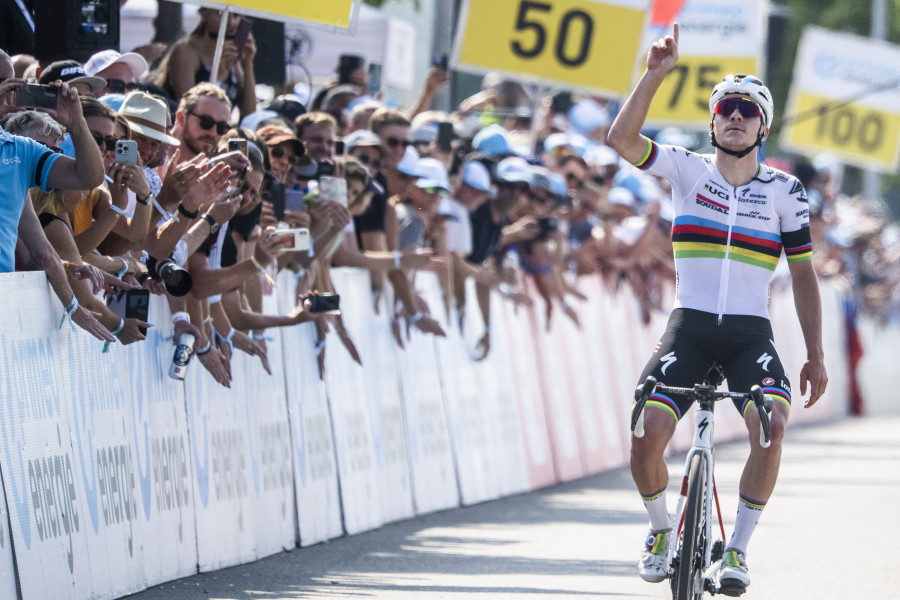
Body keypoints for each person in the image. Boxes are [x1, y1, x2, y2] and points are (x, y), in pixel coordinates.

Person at [606, 24, 828, 595]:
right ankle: (661, 531)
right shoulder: (686, 168)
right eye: (725, 107)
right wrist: (654, 75)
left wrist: (816, 355)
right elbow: (622, 141)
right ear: (711, 121)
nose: (735, 116)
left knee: (771, 428)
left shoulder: (786, 191)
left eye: (747, 110)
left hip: (750, 334)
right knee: (645, 432)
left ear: (764, 125)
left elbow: (803, 274)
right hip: (691, 326)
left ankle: (737, 551)